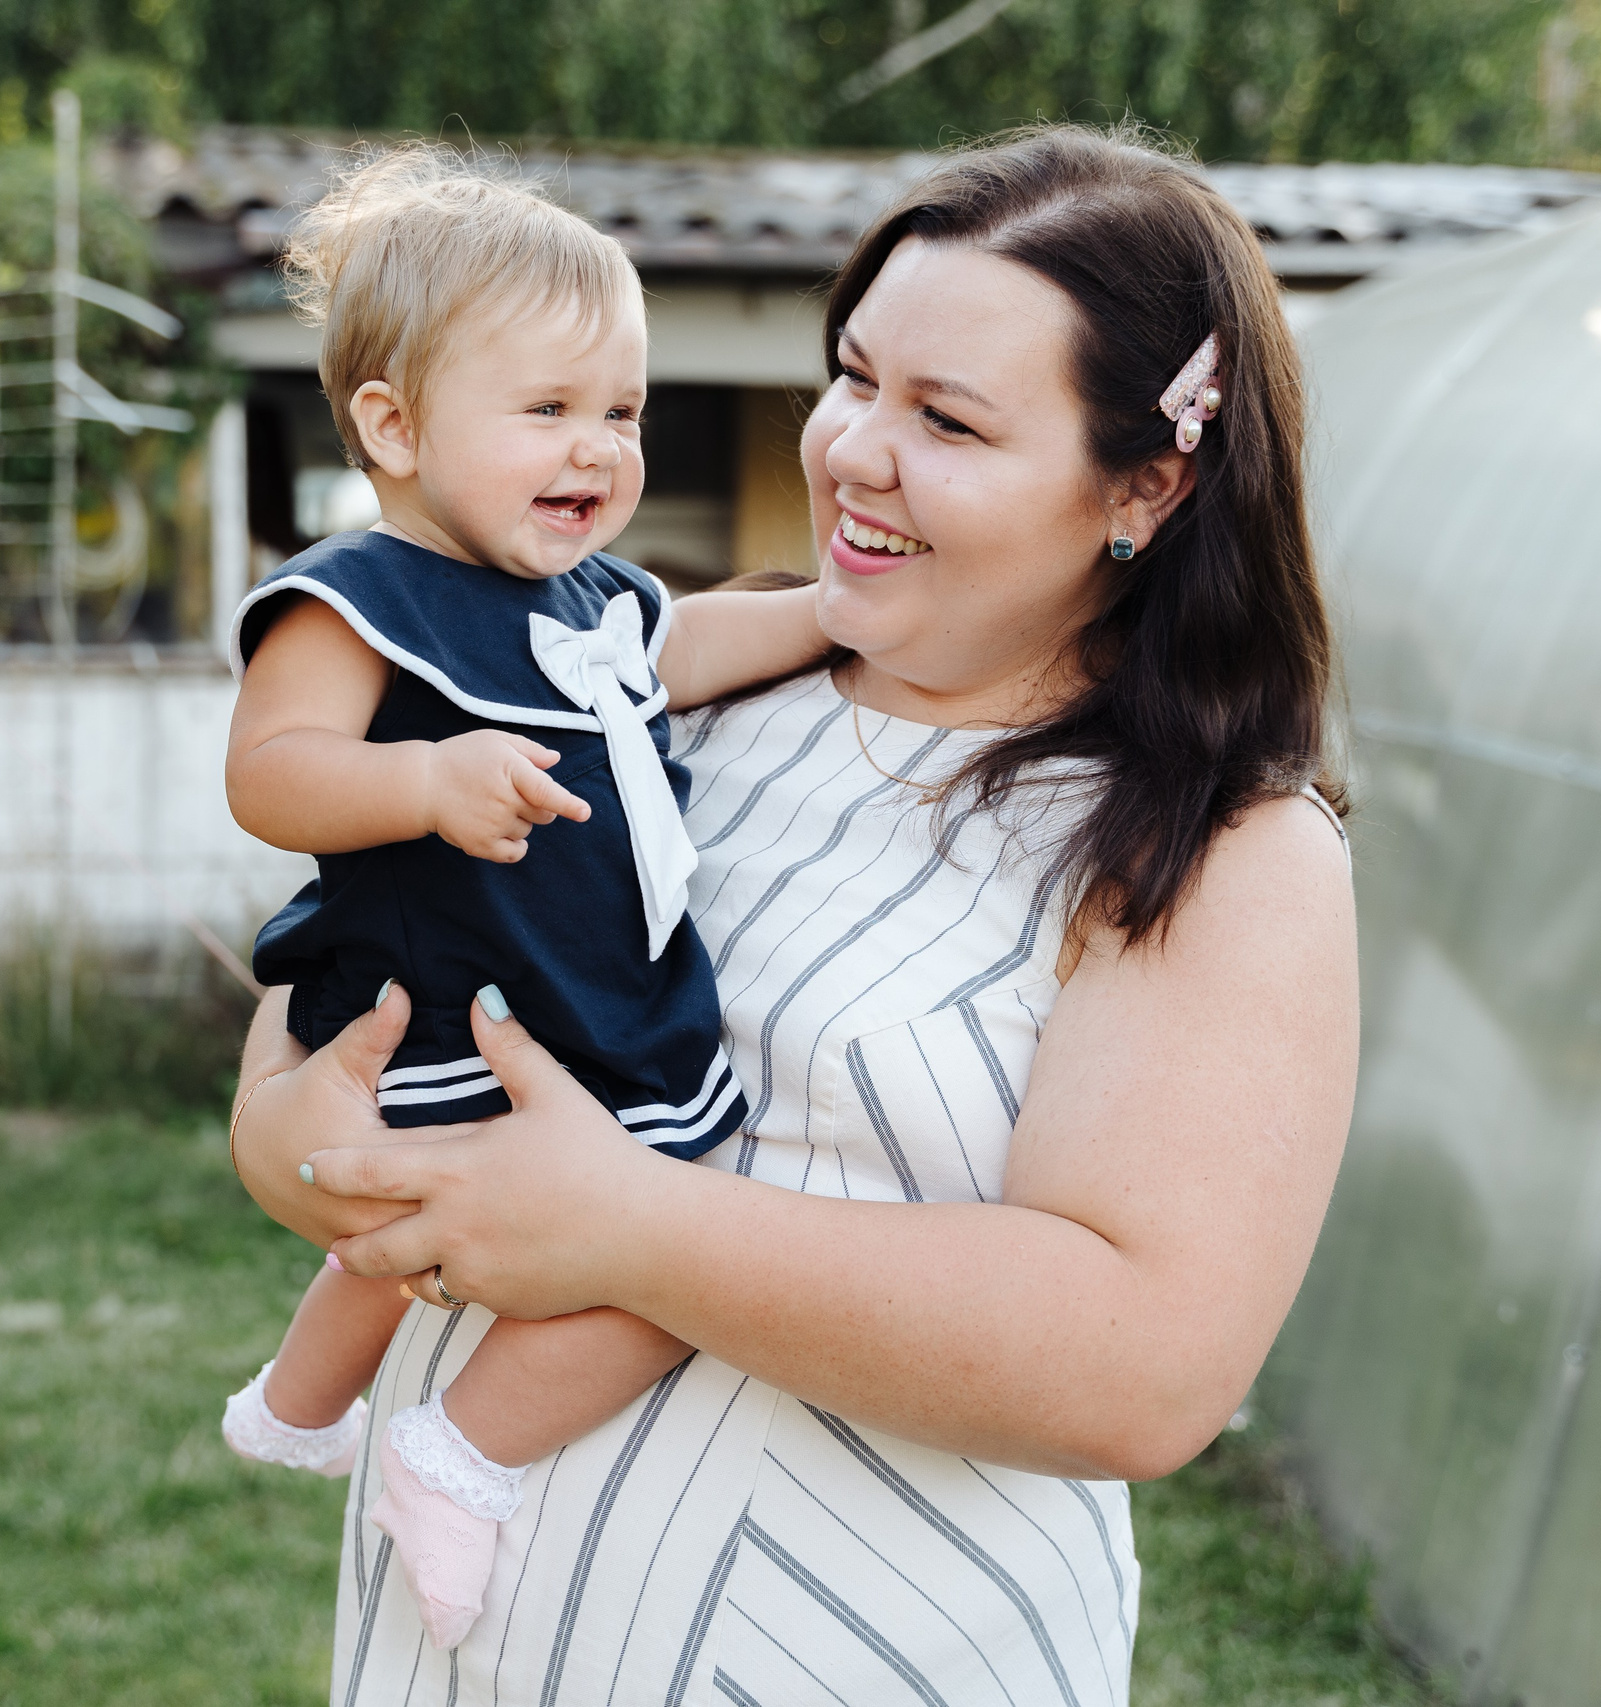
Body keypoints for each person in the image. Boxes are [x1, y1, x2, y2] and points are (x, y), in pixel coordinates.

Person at [229, 123, 1360, 1704]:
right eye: (855, 377)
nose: (853, 450)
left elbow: (1146, 1368)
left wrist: (631, 1224)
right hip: (462, 1658)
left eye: (948, 419)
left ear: (1148, 484)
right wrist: (298, 1146)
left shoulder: (1218, 846)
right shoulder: (682, 688)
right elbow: (354, 980)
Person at [215, 146, 830, 1650]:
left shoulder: (599, 601)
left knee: (417, 1223)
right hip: (460, 987)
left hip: (579, 992)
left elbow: (675, 665)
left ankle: (301, 1408)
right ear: (395, 425)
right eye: (548, 410)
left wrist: (830, 615)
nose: (599, 449)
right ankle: (460, 1453)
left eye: (621, 411)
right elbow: (272, 772)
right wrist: (420, 786)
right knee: (666, 1245)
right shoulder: (361, 595)